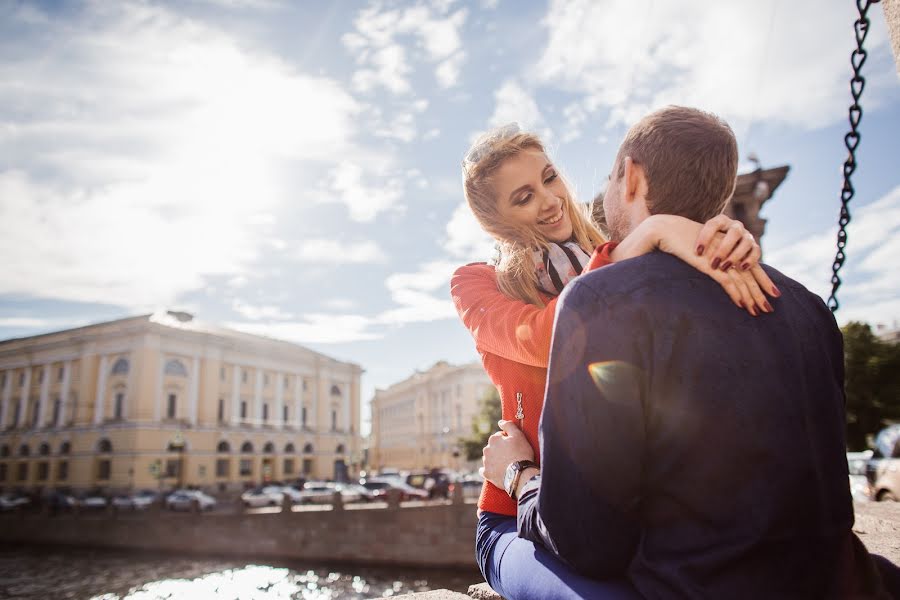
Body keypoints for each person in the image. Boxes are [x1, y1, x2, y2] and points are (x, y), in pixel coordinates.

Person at [481, 105, 898, 598]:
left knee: (504, 542)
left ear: (631, 178)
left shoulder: (600, 299)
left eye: (613, 176)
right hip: (840, 583)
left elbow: (585, 543)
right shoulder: (808, 307)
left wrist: (520, 474)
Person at [451, 119, 779, 599]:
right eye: (522, 197)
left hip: (633, 508)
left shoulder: (612, 252)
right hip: (518, 517)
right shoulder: (475, 283)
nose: (549, 200)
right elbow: (548, 338)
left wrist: (724, 241)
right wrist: (654, 233)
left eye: (549, 178)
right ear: (495, 220)